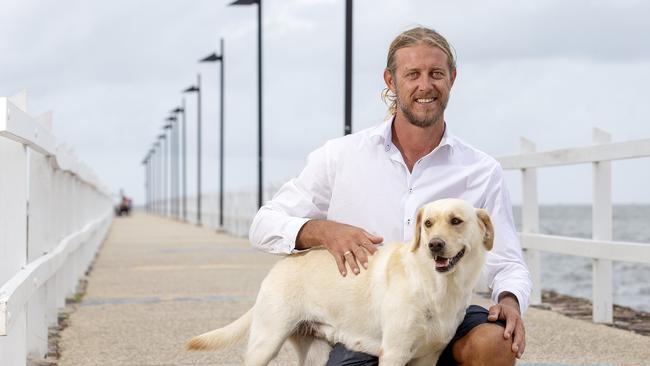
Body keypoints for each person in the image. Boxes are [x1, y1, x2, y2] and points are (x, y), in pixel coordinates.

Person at [249, 27, 531, 366]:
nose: (425, 86)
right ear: (390, 80)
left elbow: (507, 259)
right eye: (412, 74)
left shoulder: (481, 169)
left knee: (496, 344)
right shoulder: (340, 156)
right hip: (366, 318)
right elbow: (263, 225)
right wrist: (322, 230)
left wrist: (511, 301)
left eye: (436, 74)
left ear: (452, 79)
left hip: (447, 312)